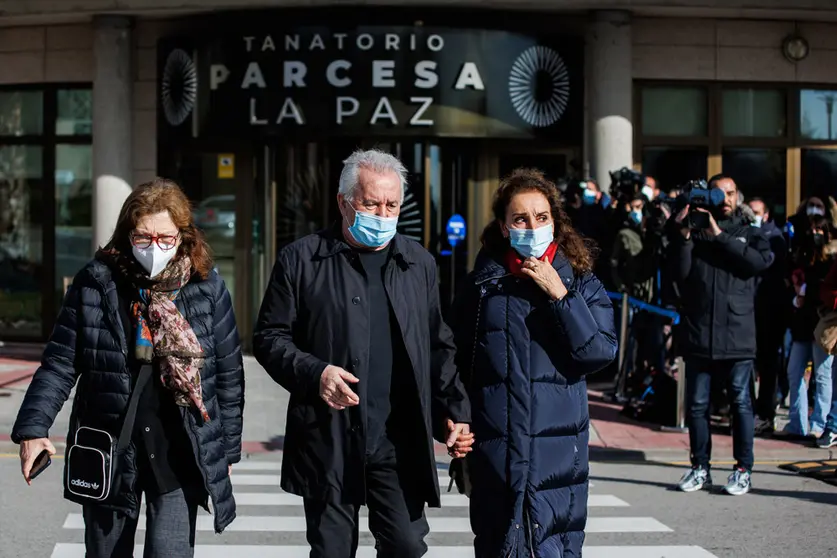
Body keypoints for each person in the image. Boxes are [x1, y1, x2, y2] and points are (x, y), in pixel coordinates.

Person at [253, 149, 472, 558]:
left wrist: (457, 413)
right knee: (333, 551)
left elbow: (438, 345)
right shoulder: (301, 259)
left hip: (398, 438)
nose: (383, 213)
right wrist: (315, 373)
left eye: (392, 205)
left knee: (406, 547)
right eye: (371, 203)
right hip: (329, 437)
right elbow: (269, 337)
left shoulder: (418, 263)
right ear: (343, 202)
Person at [11, 179, 245, 556]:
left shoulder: (206, 287)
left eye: (165, 239)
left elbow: (230, 376)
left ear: (183, 237)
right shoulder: (95, 283)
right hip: (109, 449)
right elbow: (59, 363)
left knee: (169, 550)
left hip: (178, 447)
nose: (155, 249)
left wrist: (226, 452)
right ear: (126, 235)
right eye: (143, 238)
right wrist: (33, 428)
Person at [450, 168, 617, 557]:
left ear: (554, 223)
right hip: (496, 453)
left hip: (557, 458)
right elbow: (456, 362)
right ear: (505, 227)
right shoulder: (483, 285)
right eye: (520, 218)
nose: (532, 226)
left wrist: (561, 297)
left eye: (542, 217)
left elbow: (600, 353)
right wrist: (454, 418)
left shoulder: (580, 281)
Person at [668, 174, 772, 496]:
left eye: (730, 193)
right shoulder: (694, 236)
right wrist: (684, 236)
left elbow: (756, 264)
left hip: (738, 337)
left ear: (737, 196)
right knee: (697, 407)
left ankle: (743, 469)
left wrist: (719, 235)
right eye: (718, 193)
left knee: (741, 403)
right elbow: (680, 278)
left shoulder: (750, 233)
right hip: (700, 334)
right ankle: (700, 467)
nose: (725, 199)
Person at [781, 215, 836, 439]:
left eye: (820, 230)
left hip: (822, 324)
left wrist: (806, 290)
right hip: (802, 324)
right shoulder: (802, 255)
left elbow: (826, 290)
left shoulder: (831, 259)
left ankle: (819, 423)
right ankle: (797, 422)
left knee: (822, 376)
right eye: (812, 229)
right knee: (795, 372)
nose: (815, 234)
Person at [747, 198, 789, 435]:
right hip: (748, 309)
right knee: (747, 366)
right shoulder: (745, 233)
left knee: (768, 364)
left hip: (769, 311)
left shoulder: (775, 238)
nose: (753, 215)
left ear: (766, 214)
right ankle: (748, 411)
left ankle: (765, 414)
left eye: (756, 212)